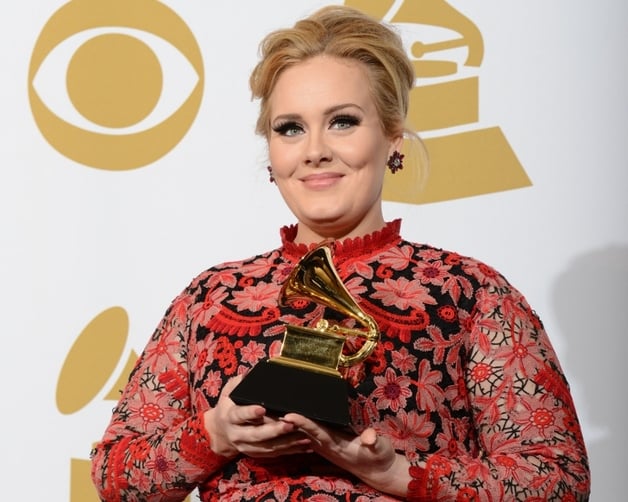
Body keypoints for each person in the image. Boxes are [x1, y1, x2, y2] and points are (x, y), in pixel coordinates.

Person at [90, 5, 590, 501]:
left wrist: (397, 473)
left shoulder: (470, 293)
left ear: (392, 137)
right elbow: (116, 476)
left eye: (343, 122)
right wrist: (214, 435)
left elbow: (558, 482)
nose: (315, 151)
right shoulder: (210, 298)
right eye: (290, 128)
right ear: (272, 153)